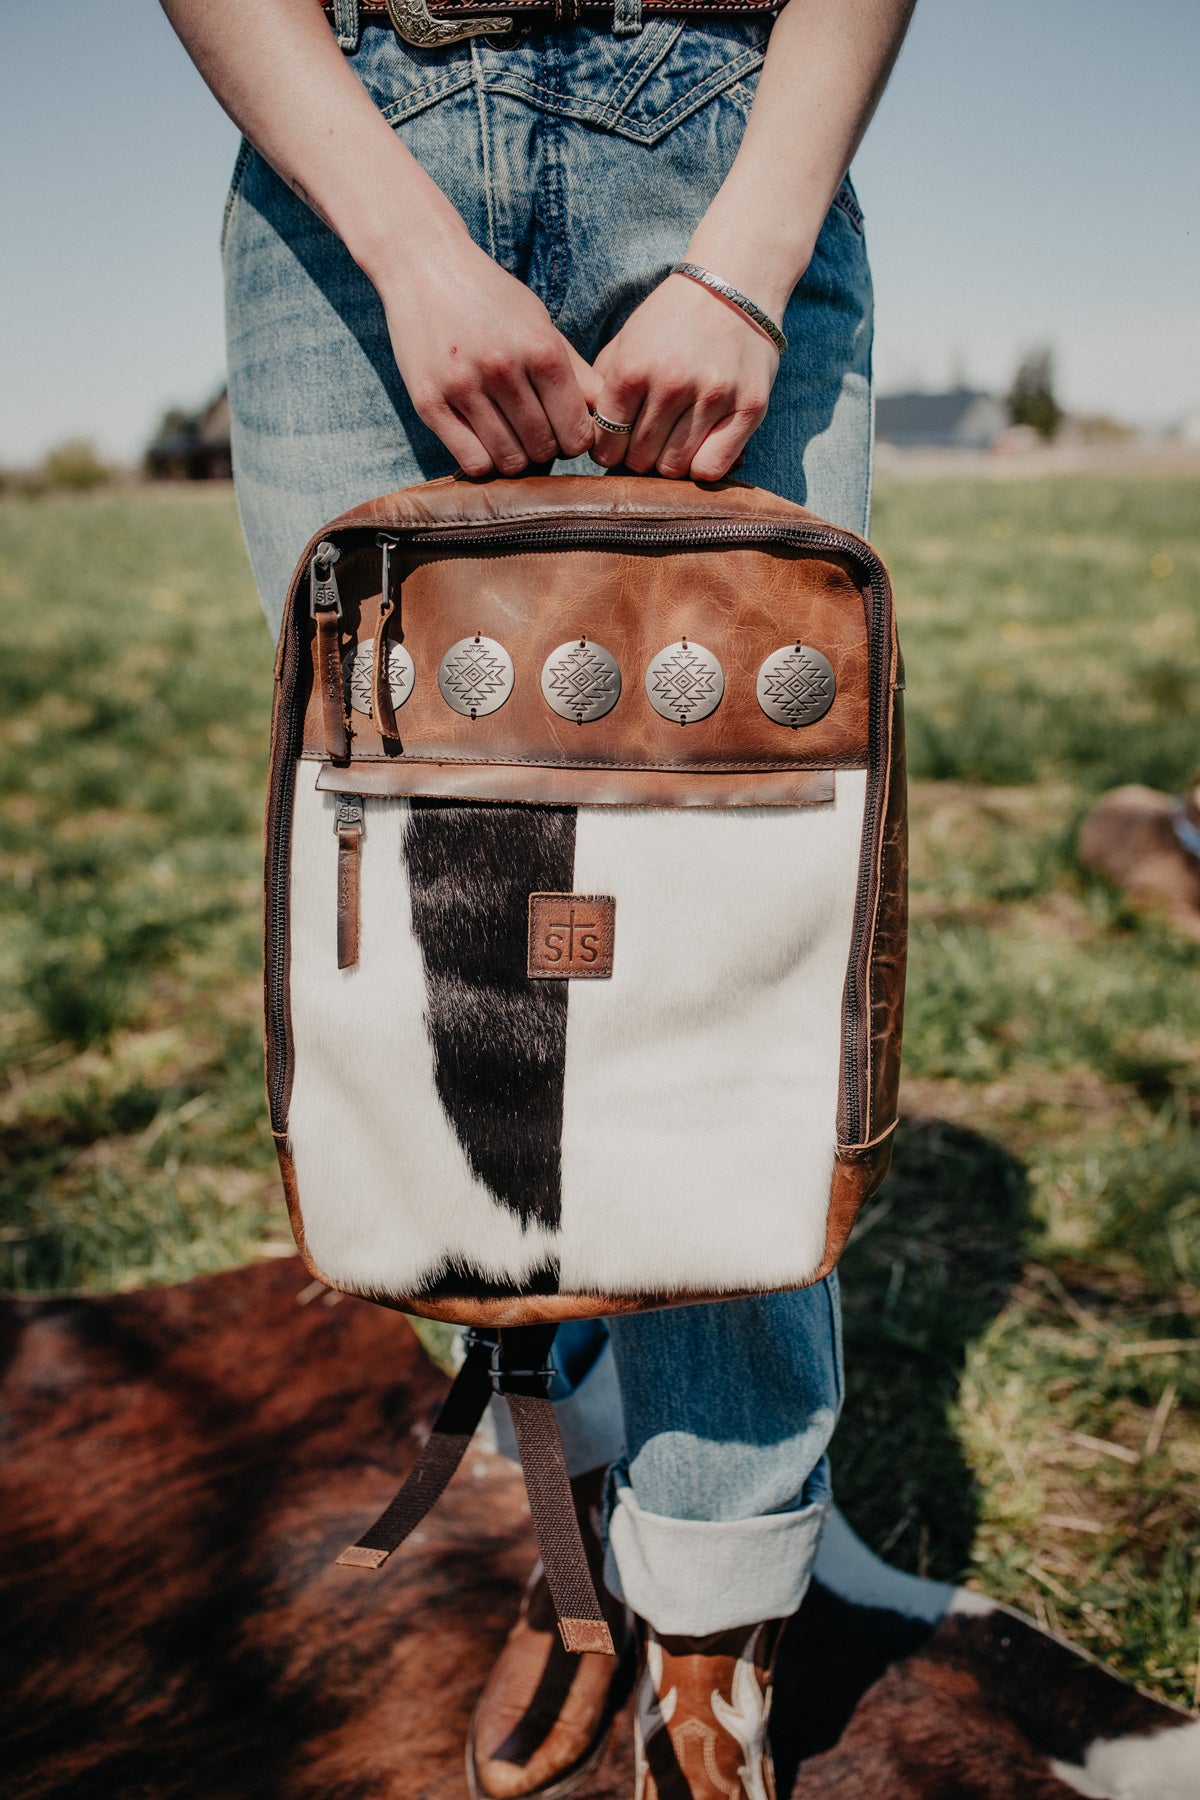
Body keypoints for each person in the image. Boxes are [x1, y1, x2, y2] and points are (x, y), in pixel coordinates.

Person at [162, 1, 915, 1793]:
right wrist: (410, 245)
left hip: (724, 134)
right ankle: (569, 1522)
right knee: (444, 934)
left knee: (728, 933)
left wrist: (742, 269)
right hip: (346, 167)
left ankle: (713, 1623)